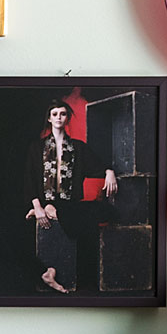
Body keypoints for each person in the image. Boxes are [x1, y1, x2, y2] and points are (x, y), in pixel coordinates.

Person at [28, 95, 120, 295]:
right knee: (70, 217)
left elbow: (97, 166)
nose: (59, 117)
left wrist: (109, 171)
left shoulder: (78, 147)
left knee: (107, 212)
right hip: (45, 202)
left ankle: (56, 211)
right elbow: (30, 179)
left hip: (70, 204)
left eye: (62, 114)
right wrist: (38, 207)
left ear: (67, 118)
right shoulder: (37, 148)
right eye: (55, 114)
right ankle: (48, 268)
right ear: (49, 119)